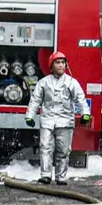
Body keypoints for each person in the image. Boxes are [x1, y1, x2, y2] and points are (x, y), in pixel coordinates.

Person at [25, 50, 89, 184]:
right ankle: (45, 175)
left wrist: (85, 114)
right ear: (51, 65)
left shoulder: (72, 82)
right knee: (45, 148)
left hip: (65, 122)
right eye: (57, 62)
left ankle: (61, 176)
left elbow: (80, 99)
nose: (61, 65)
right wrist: (30, 115)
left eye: (63, 63)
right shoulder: (43, 83)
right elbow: (35, 100)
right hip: (47, 121)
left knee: (63, 151)